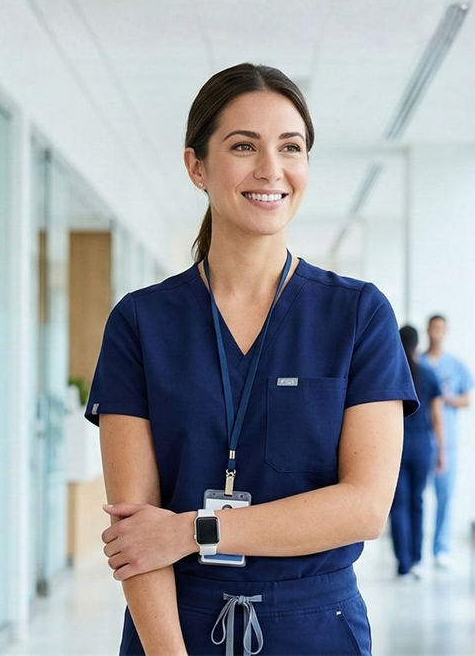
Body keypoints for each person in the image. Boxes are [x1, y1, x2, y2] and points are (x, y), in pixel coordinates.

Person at [85, 63, 418, 656]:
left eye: (291, 147)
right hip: (175, 629)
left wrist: (193, 530)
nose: (271, 169)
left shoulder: (358, 316)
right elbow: (136, 534)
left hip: (317, 628)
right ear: (197, 166)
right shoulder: (140, 323)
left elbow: (365, 507)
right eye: (243, 146)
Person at [388, 326, 446, 579]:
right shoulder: (429, 374)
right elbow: (437, 416)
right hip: (422, 444)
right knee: (418, 502)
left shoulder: (390, 374)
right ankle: (418, 560)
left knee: (398, 504)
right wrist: (442, 450)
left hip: (395, 445)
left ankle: (403, 564)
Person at [422, 314, 474, 568]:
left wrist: (445, 399)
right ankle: (417, 550)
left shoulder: (455, 365)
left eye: (441, 329)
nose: (436, 333)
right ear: (427, 330)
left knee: (445, 497)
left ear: (446, 331)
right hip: (422, 440)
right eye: (433, 328)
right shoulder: (417, 363)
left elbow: (467, 399)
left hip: (448, 443)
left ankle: (441, 548)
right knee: (417, 498)